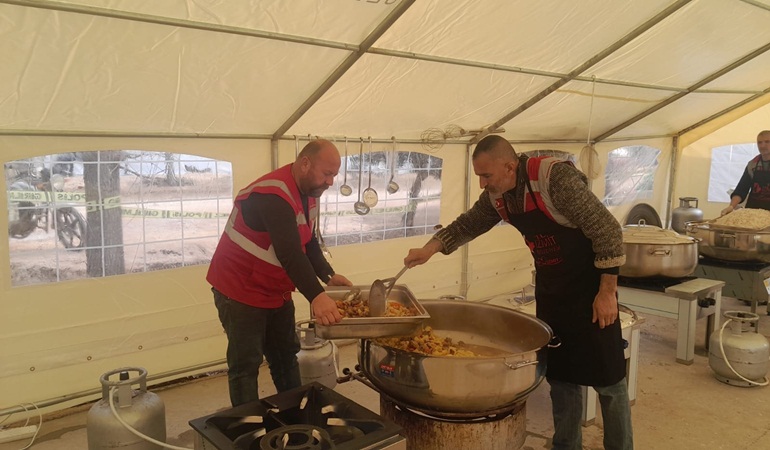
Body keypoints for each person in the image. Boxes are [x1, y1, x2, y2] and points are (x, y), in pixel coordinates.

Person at [404, 135, 633, 450]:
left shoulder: (553, 178)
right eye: (479, 176)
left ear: (510, 167)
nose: (483, 184)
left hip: (591, 290)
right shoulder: (498, 195)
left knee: (609, 380)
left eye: (486, 175)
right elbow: (468, 224)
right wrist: (429, 249)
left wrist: (607, 292)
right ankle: (566, 446)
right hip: (553, 291)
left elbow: (607, 230)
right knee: (561, 377)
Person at [207, 139, 351, 407]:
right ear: (305, 164)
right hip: (239, 289)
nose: (330, 182)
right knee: (245, 364)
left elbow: (307, 240)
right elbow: (289, 253)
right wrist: (317, 296)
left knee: (285, 356)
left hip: (274, 289)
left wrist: (327, 275)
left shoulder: (309, 192)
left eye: (334, 175)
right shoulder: (272, 195)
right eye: (327, 174)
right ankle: (248, 424)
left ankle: (295, 414)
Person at [722, 130, 770, 215]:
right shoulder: (752, 164)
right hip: (752, 212)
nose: (762, 146)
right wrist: (731, 206)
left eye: (767, 142)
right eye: (759, 142)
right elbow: (741, 189)